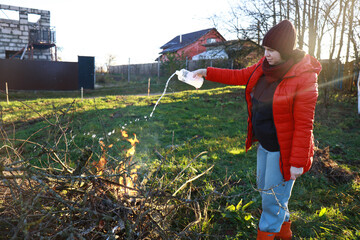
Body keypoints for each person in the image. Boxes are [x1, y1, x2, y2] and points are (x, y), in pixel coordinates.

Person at [193, 20, 321, 240]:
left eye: (272, 50)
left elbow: (304, 123)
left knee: (272, 199)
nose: (267, 54)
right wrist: (207, 72)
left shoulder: (304, 77)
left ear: (285, 50)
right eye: (265, 49)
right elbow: (239, 76)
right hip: (265, 144)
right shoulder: (264, 67)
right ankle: (284, 233)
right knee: (269, 192)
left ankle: (268, 234)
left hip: (285, 150)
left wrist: (298, 162)